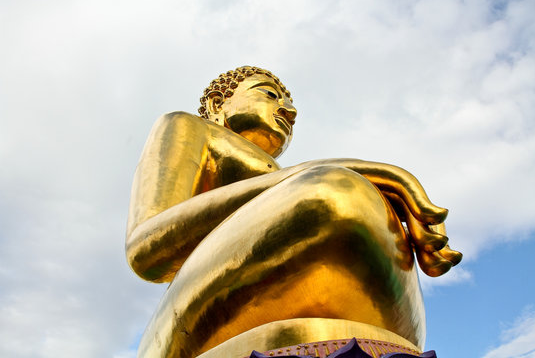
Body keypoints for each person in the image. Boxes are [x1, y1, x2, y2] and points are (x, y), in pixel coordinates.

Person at [126, 66, 462, 358]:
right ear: (218, 103)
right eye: (270, 95)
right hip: (193, 318)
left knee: (352, 204)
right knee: (335, 193)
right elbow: (147, 250)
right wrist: (346, 172)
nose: (289, 110)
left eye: (288, 102)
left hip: (304, 279)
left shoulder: (288, 181)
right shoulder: (187, 127)